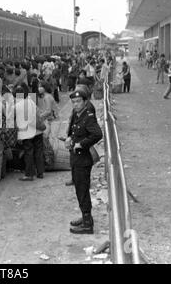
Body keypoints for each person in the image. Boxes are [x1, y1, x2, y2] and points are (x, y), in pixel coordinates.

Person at [65, 90, 103, 234]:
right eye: (73, 102)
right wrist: (69, 138)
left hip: (83, 159)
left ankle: (87, 224)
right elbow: (73, 131)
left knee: (82, 190)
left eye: (78, 101)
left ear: (85, 101)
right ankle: (85, 216)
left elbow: (97, 134)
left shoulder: (88, 116)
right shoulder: (77, 114)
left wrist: (82, 144)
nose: (76, 104)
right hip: (75, 158)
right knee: (79, 190)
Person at [15, 83, 45, 181]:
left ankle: (29, 174)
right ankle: (40, 172)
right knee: (39, 151)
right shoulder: (30, 101)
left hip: (27, 133)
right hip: (37, 130)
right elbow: (38, 113)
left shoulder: (16, 106)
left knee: (29, 153)